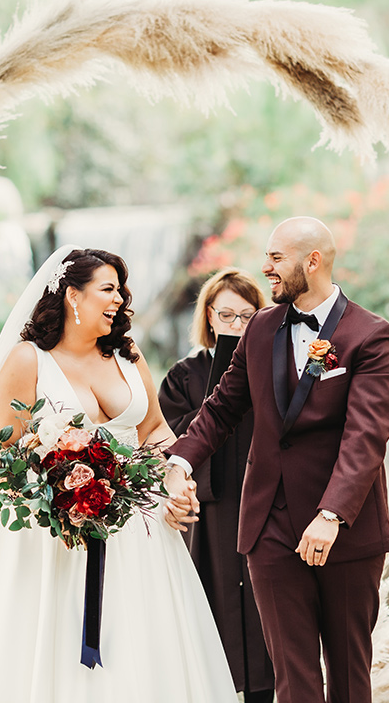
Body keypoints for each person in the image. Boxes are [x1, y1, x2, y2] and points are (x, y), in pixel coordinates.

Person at [0, 246, 240, 703]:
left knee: (143, 649)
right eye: (107, 289)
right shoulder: (29, 360)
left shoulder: (126, 353)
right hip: (56, 539)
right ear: (72, 296)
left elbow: (154, 430)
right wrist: (55, 486)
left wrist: (177, 479)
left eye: (121, 289)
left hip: (138, 533)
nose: (119, 298)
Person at [165, 217, 389, 703]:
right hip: (268, 529)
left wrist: (331, 514)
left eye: (276, 258)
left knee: (348, 677)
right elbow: (221, 407)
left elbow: (365, 437)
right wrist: (179, 462)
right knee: (292, 680)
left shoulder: (372, 337)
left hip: (345, 531)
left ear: (311, 261)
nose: (265, 268)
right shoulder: (260, 329)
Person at [158, 268, 274, 703]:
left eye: (248, 317)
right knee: (212, 607)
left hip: (261, 503)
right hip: (209, 510)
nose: (237, 326)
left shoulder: (271, 370)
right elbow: (169, 438)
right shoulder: (185, 375)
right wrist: (219, 393)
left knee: (265, 613)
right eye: (227, 315)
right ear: (209, 316)